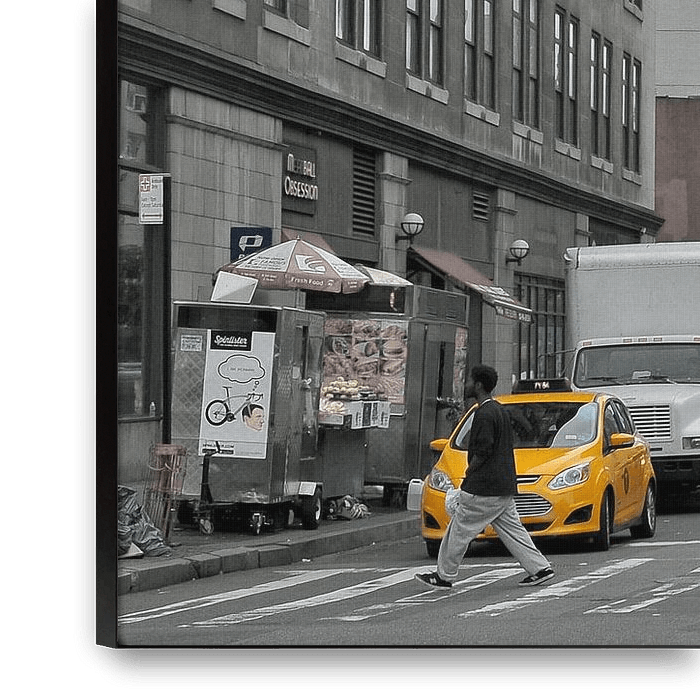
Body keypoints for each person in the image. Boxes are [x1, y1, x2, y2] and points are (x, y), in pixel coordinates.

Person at [415, 365, 554, 589]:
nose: (466, 384)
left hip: (485, 486)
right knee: (513, 530)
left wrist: (469, 474)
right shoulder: (499, 410)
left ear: (478, 385)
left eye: (470, 381)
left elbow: (483, 450)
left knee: (458, 529)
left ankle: (444, 575)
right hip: (503, 485)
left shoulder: (484, 414)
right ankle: (540, 568)